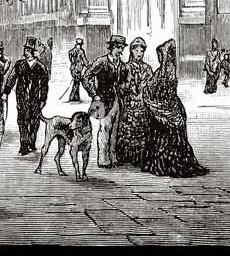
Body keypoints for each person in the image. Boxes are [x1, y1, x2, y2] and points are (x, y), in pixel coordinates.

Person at [141, 40, 207, 178]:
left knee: (170, 137)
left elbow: (159, 89)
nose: (160, 58)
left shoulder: (167, 71)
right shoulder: (162, 71)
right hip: (166, 108)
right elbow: (150, 88)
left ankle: (166, 164)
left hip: (168, 108)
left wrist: (152, 99)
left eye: (161, 55)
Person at [83, 34, 127, 168]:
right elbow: (86, 77)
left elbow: (123, 82)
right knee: (104, 128)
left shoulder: (122, 65)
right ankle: (103, 159)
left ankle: (113, 157)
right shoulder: (101, 61)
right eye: (118, 47)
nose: (120, 51)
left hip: (117, 101)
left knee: (114, 130)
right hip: (103, 101)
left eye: (122, 48)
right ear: (111, 47)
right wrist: (94, 94)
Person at [3, 38, 49, 155]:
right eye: (26, 49)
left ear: (34, 52)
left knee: (34, 122)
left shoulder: (40, 66)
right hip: (22, 98)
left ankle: (31, 143)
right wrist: (6, 92)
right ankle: (24, 145)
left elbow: (44, 85)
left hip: (35, 99)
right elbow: (11, 78)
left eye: (29, 50)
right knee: (22, 121)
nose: (26, 51)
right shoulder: (19, 64)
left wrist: (43, 99)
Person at [118, 38, 154, 167]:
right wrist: (128, 88)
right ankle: (126, 156)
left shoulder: (147, 69)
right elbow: (120, 87)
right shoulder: (125, 67)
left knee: (142, 131)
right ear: (131, 51)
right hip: (129, 106)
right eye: (136, 50)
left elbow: (152, 87)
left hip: (143, 106)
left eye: (142, 50)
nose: (139, 53)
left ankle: (141, 157)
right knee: (127, 131)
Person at [67, 38, 88, 102]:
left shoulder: (71, 51)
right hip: (78, 69)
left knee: (76, 82)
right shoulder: (81, 51)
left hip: (72, 68)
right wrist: (87, 65)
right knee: (76, 83)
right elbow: (84, 61)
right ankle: (72, 97)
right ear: (81, 44)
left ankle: (76, 97)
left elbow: (70, 59)